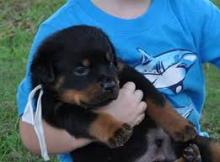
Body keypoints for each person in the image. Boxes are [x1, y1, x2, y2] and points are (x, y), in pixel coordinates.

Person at [17, 0, 220, 161]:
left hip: (181, 144)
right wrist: (105, 121)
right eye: (81, 70)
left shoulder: (192, 10)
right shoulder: (58, 32)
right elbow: (33, 137)